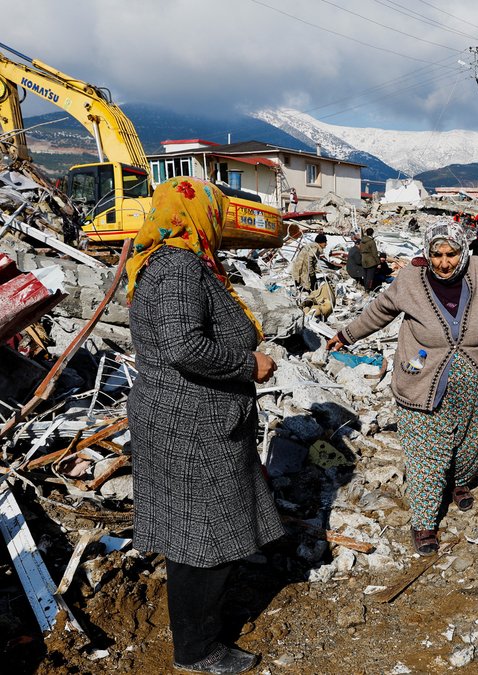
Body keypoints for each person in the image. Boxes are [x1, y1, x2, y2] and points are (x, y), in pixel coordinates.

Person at [325, 219, 478, 555]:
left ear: (463, 251)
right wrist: (346, 335)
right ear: (427, 253)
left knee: (472, 445)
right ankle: (424, 522)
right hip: (422, 381)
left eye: (451, 253)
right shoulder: (411, 280)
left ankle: (458, 482)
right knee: (427, 456)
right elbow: (380, 310)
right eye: (437, 254)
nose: (443, 262)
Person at [126, 177, 283, 674]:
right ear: (196, 215)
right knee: (204, 536)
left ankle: (196, 633)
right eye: (213, 210)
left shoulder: (166, 262)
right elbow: (182, 346)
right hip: (191, 425)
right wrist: (248, 365)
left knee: (194, 530)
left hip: (185, 417)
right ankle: (197, 650)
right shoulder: (178, 266)